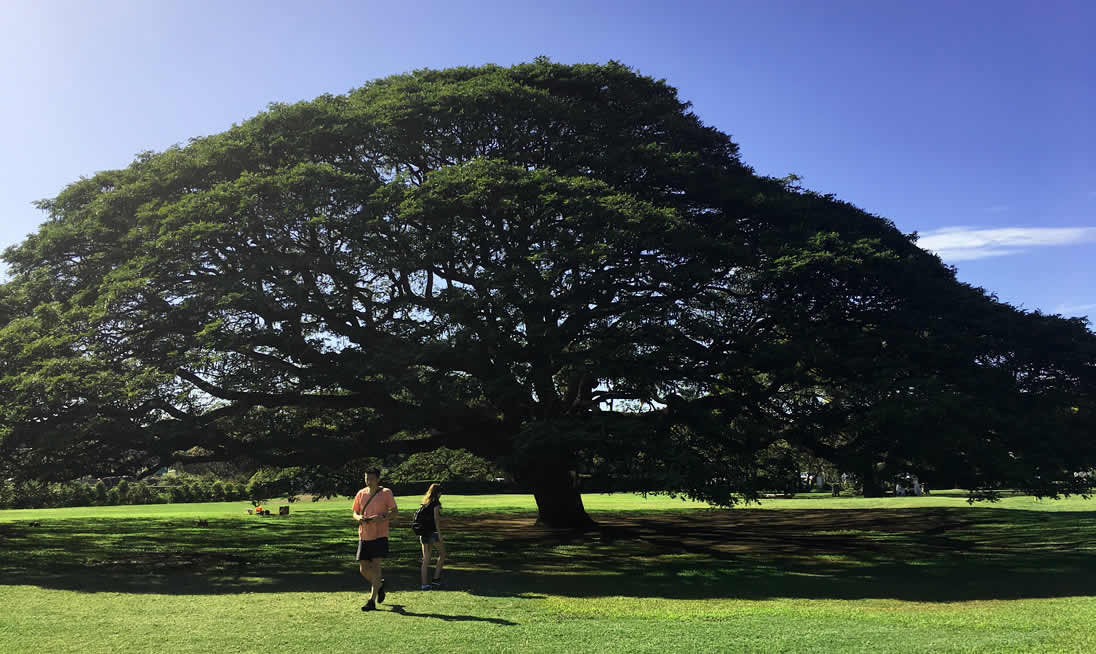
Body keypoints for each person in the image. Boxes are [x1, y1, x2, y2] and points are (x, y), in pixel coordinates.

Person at [352, 468, 398, 612]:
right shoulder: (361, 493)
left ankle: (371, 601)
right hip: (364, 535)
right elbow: (355, 512)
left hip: (380, 535)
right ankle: (379, 585)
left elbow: (395, 512)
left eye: (371, 478)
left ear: (378, 479)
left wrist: (382, 518)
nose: (368, 481)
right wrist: (359, 518)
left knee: (376, 566)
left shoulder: (386, 493)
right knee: (363, 568)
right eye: (366, 478)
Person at [418, 482, 446, 590]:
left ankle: (424, 584)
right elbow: (436, 520)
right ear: (438, 493)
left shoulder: (425, 502)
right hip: (432, 533)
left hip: (423, 533)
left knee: (426, 559)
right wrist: (439, 534)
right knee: (442, 554)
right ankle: (436, 579)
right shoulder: (436, 503)